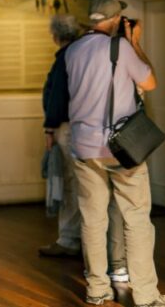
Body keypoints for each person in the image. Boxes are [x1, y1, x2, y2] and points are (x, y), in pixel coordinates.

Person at [66, 0, 164, 307]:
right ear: (116, 19)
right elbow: (149, 83)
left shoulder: (72, 50)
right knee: (136, 218)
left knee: (92, 220)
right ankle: (146, 295)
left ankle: (97, 289)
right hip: (120, 149)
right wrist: (134, 42)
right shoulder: (120, 47)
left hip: (83, 146)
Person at [39, 14, 128, 284]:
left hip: (71, 127)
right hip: (98, 130)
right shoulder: (87, 54)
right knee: (91, 189)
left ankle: (70, 239)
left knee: (72, 186)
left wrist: (50, 128)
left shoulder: (66, 57)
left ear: (56, 36)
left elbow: (57, 96)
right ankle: (99, 252)